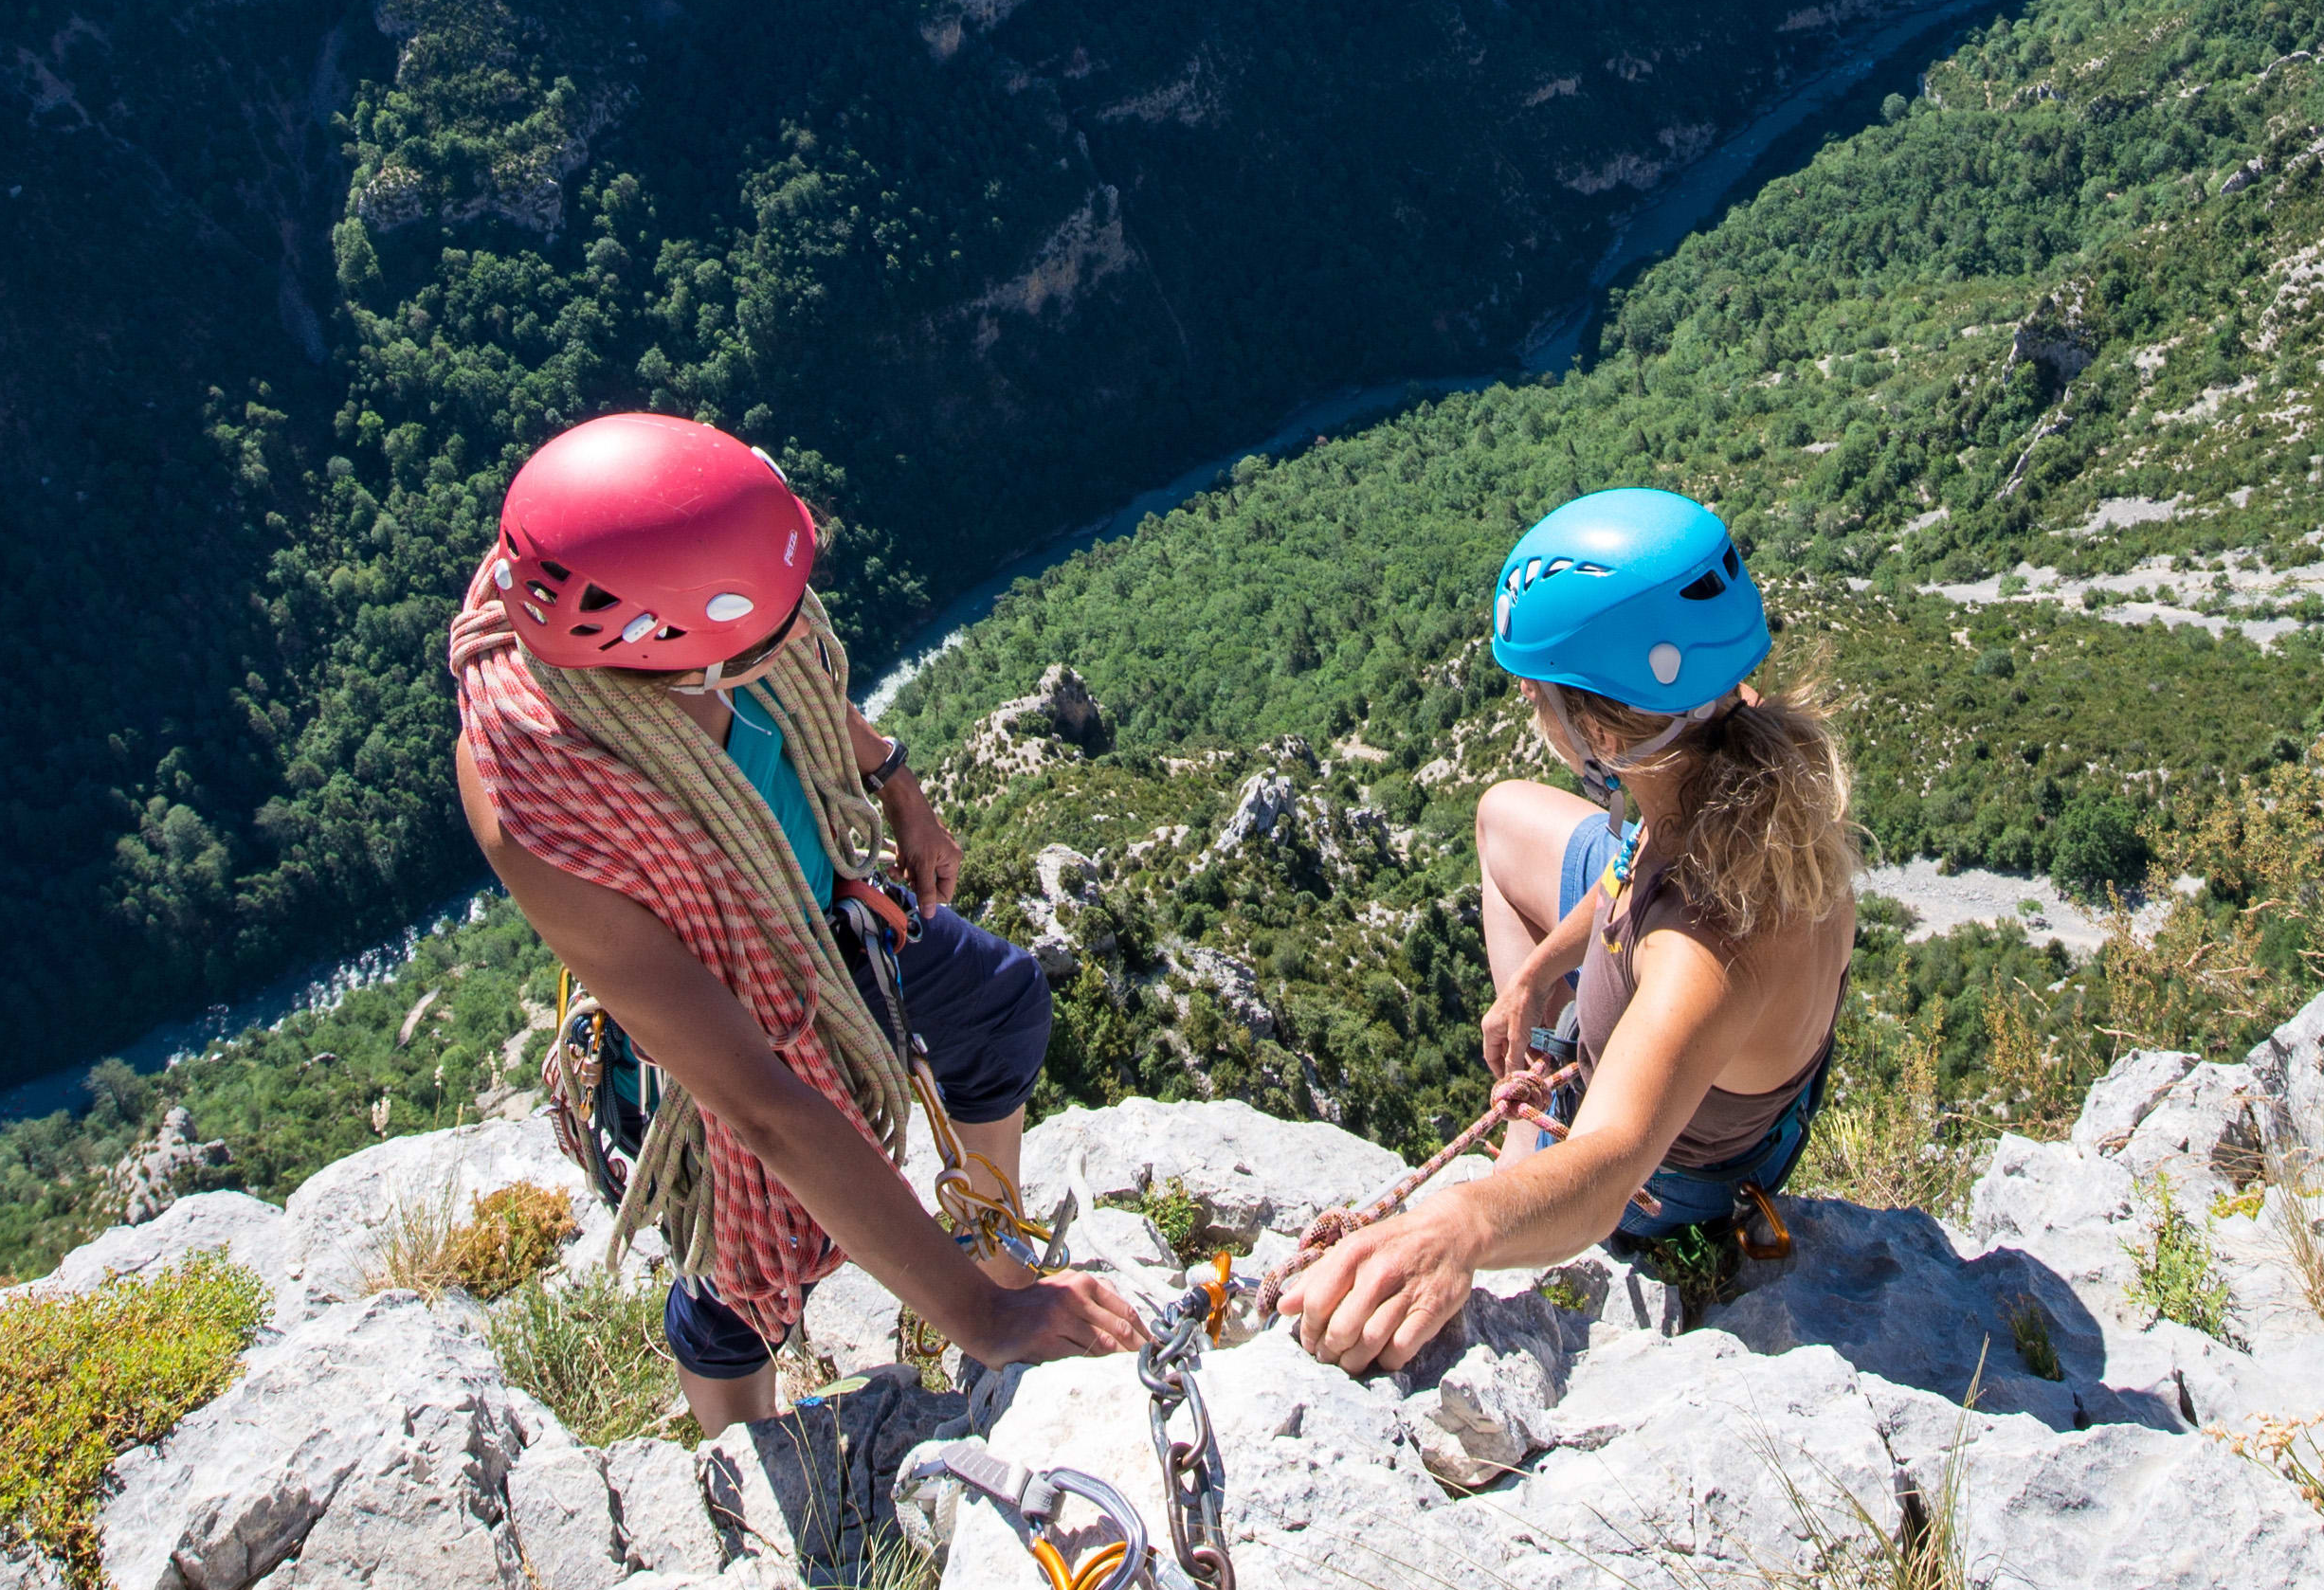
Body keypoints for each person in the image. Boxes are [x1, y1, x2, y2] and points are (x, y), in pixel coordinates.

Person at [450, 409, 1143, 1423]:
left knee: (1001, 1002)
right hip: (719, 1016)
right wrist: (978, 1326)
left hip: (829, 920)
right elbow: (761, 1104)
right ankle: (741, 1444)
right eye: (754, 631)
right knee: (740, 1264)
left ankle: (998, 1255)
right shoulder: (536, 798)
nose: (792, 627)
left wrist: (896, 779)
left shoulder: (649, 569)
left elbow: (792, 666)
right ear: (673, 653)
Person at [1276, 487, 1859, 1376]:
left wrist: (1460, 1226)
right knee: (1503, 816)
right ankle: (1546, 1066)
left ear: (1594, 728)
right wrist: (1539, 974)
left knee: (1575, 1153)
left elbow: (1613, 1162)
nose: (1530, 710)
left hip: (1674, 1181)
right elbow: (1640, 864)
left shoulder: (1706, 948)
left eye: (1538, 697)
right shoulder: (1729, 758)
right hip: (1731, 1071)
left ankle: (1521, 1151)